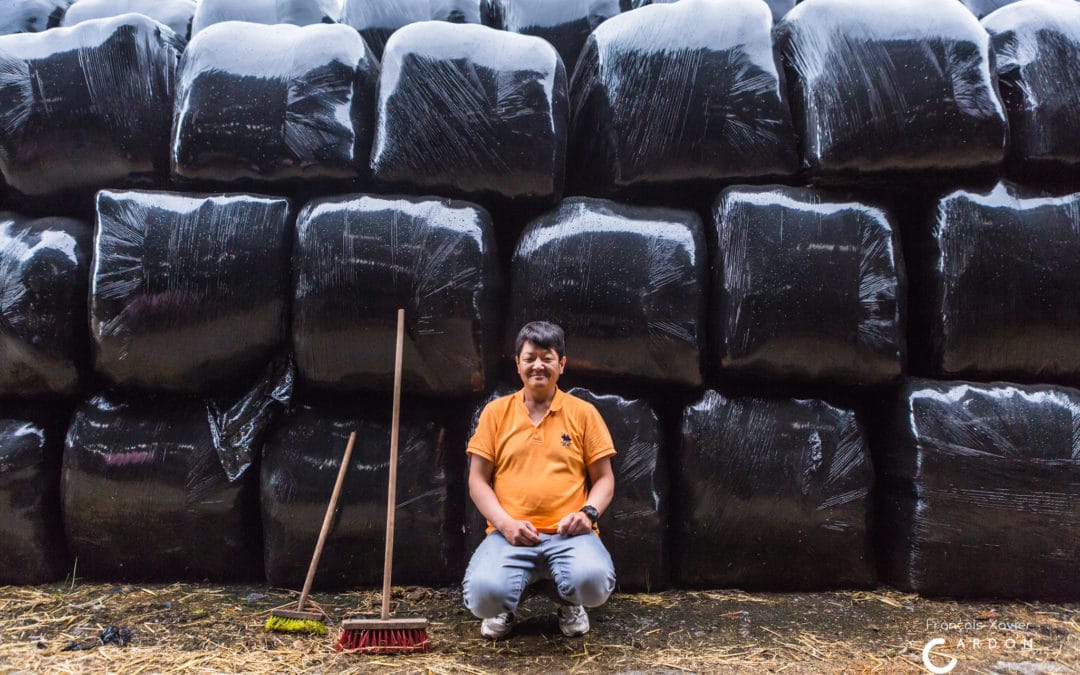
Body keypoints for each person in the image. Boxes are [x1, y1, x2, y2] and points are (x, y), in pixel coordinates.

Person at [462, 321, 617, 639]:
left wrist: (587, 514)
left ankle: (568, 601)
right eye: (530, 357)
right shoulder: (495, 413)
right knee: (481, 596)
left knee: (594, 582)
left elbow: (604, 479)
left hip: (569, 538)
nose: (538, 365)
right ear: (517, 363)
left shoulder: (583, 414)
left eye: (547, 357)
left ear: (561, 364)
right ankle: (505, 606)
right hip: (509, 537)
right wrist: (505, 524)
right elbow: (477, 481)